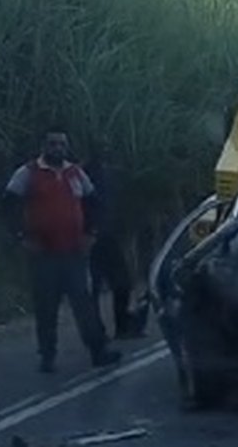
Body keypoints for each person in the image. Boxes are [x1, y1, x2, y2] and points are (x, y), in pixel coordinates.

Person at [4, 128, 121, 373]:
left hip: (74, 253)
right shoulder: (28, 173)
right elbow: (9, 206)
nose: (57, 148)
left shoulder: (75, 173)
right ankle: (47, 355)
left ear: (67, 147)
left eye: (61, 144)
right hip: (43, 254)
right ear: (43, 146)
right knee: (46, 307)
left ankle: (98, 351)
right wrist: (20, 237)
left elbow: (93, 205)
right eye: (52, 143)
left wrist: (91, 234)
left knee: (84, 305)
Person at [83, 136, 137, 340]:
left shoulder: (111, 173)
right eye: (101, 147)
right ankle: (98, 332)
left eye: (107, 146)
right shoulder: (82, 173)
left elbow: (118, 204)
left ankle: (122, 326)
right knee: (93, 289)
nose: (105, 150)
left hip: (109, 235)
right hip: (90, 237)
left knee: (122, 283)